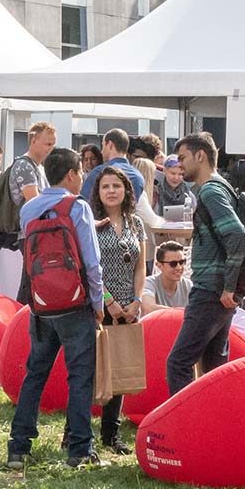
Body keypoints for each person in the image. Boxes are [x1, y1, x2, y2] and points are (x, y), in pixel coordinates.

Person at [7, 148, 108, 468]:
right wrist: (97, 302)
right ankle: (79, 449)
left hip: (42, 303)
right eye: (80, 172)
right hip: (75, 303)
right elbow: (92, 262)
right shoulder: (77, 206)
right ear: (71, 174)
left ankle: (18, 447)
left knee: (34, 373)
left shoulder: (29, 208)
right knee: (80, 377)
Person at [166, 133, 245, 396]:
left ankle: (186, 428)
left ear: (201, 156)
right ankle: (215, 429)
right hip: (220, 291)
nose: (180, 165)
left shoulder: (211, 190)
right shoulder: (221, 186)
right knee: (213, 368)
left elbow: (236, 233)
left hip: (212, 290)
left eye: (183, 158)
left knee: (178, 363)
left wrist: (229, 286)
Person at [90, 165, 150, 454]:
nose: (111, 191)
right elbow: (90, 268)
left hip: (129, 305)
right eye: (105, 187)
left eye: (117, 186)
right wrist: (110, 302)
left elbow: (141, 267)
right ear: (98, 193)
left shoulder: (135, 223)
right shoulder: (91, 222)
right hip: (101, 305)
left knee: (121, 368)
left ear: (126, 190)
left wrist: (136, 301)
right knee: (94, 368)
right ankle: (75, 432)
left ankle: (110, 435)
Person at [79, 128, 146, 207]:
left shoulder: (98, 172)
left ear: (110, 144)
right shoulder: (138, 176)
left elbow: (84, 205)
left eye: (103, 145)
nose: (101, 151)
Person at [141, 240, 192, 313]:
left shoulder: (188, 285)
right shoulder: (148, 283)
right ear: (159, 265)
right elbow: (148, 307)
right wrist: (180, 313)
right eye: (173, 264)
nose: (179, 267)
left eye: (181, 262)